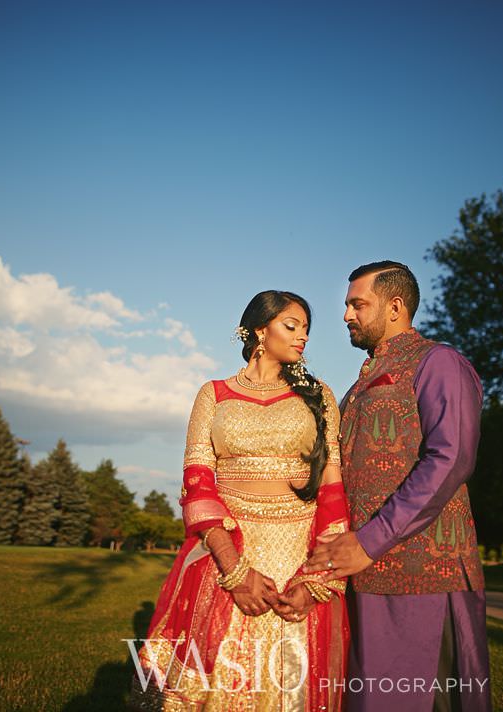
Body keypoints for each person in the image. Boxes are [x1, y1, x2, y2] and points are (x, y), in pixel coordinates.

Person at [131, 290, 350, 711]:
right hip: (226, 551)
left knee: (290, 683)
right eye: (292, 325)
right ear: (259, 331)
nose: (303, 337)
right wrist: (232, 568)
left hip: (297, 558)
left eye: (307, 328)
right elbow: (197, 480)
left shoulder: (318, 395)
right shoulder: (214, 393)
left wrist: (320, 579)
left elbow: (332, 484)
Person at [305, 261, 491, 712]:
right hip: (363, 573)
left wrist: (370, 541)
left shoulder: (438, 362)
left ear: (395, 306)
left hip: (425, 573)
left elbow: (451, 459)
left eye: (357, 304)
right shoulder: (359, 384)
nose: (347, 315)